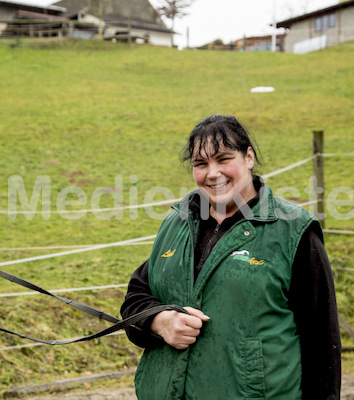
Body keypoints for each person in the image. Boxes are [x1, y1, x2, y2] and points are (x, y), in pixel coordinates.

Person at [121, 114, 341, 400]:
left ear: (248, 157)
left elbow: (322, 342)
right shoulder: (177, 222)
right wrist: (159, 321)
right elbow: (137, 296)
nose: (212, 173)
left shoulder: (293, 231)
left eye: (223, 159)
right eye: (201, 164)